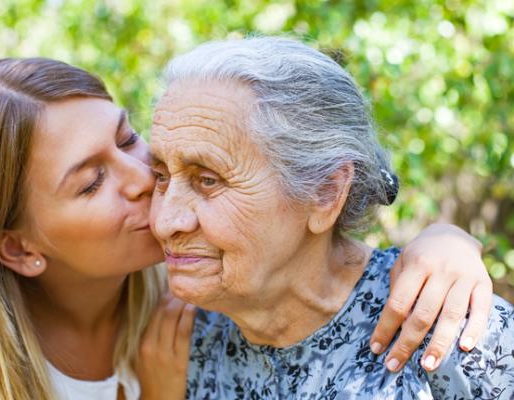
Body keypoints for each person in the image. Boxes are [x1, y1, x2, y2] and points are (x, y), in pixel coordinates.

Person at [0, 57, 496, 400]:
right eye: (91, 183)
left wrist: (444, 241)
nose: (148, 181)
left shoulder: (198, 289)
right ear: (18, 248)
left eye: (127, 139)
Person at [149, 36, 514, 399]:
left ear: (325, 193)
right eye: (161, 176)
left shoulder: (454, 332)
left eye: (208, 180)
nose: (165, 222)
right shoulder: (177, 340)